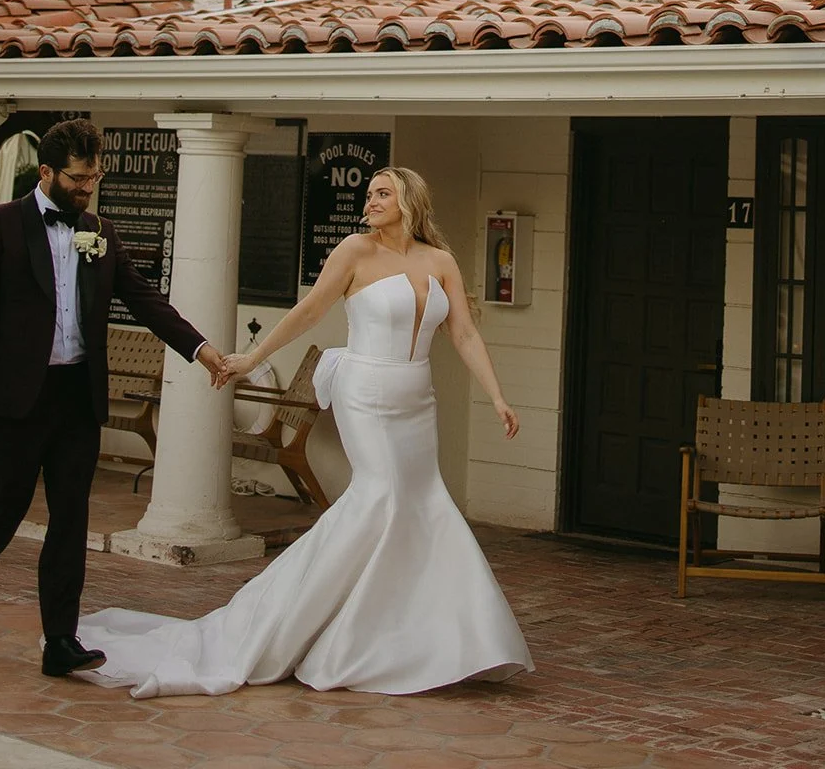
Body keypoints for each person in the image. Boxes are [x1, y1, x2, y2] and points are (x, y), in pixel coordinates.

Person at [75, 166, 534, 697]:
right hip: (366, 392)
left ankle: (431, 640)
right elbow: (310, 310)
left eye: (382, 194)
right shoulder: (354, 251)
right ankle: (314, 630)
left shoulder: (441, 261)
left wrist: (497, 396)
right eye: (369, 194)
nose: (370, 202)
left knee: (423, 500)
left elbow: (464, 333)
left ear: (410, 200)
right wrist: (252, 358)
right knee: (380, 497)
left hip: (417, 398)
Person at [0, 118, 226, 679]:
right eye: (78, 178)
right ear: (46, 173)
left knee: (70, 516)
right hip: (16, 394)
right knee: (5, 506)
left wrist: (200, 348)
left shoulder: (100, 232)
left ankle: (60, 639)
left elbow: (143, 299)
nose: (88, 188)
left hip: (76, 395)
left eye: (95, 177)